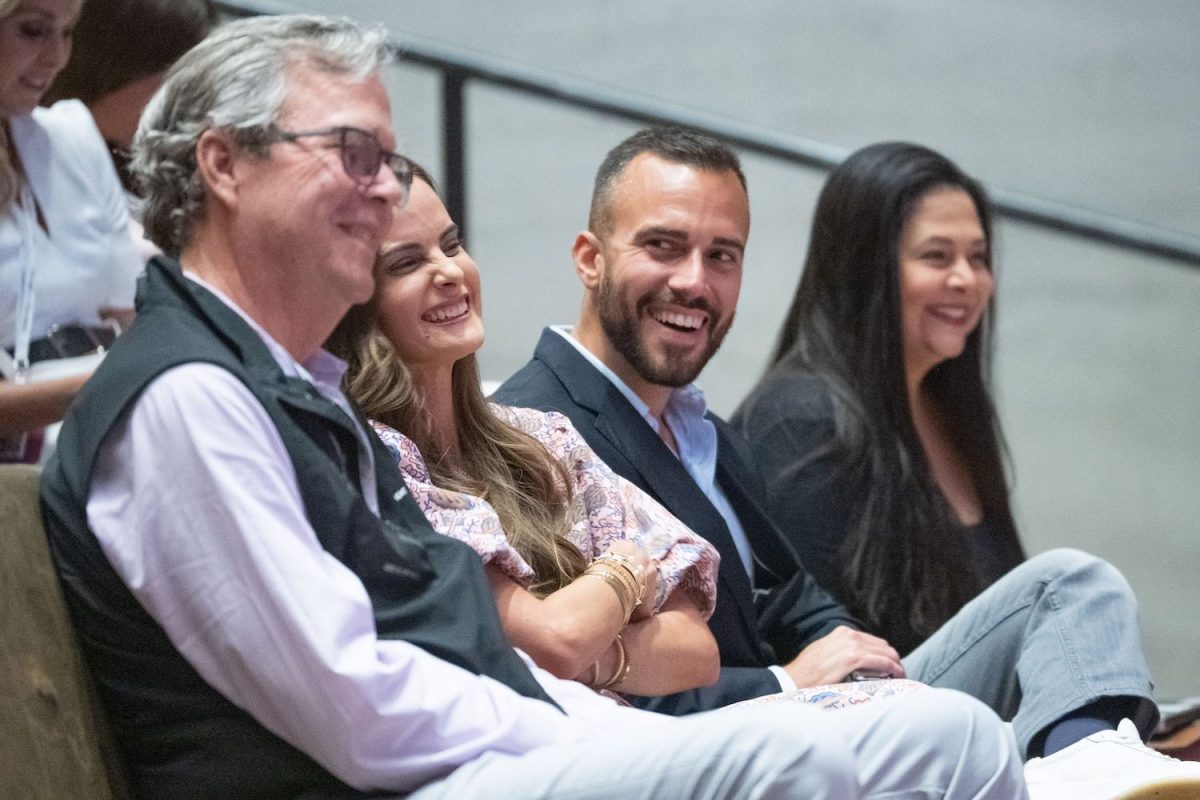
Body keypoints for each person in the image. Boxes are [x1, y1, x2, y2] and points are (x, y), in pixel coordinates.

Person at [39, 14, 1025, 800]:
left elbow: (516, 641)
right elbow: (355, 705)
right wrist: (593, 719)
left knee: (949, 731)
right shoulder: (188, 400)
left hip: (476, 748)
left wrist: (609, 706)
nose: (385, 192)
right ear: (224, 164)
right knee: (794, 763)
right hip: (380, 776)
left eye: (389, 158)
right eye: (352, 152)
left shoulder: (300, 393)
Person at [493, 125, 1200, 799]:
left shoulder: (701, 425)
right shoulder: (531, 429)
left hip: (834, 713)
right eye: (663, 246)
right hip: (741, 751)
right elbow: (585, 686)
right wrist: (787, 682)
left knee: (1075, 592)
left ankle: (1087, 761)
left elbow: (790, 592)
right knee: (1067, 585)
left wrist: (845, 649)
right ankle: (1079, 770)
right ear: (590, 257)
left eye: (722, 256)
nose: (694, 281)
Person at [331, 165, 723, 697]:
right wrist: (627, 568)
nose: (449, 272)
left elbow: (698, 651)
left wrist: (594, 652)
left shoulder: (542, 438)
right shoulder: (376, 459)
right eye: (406, 262)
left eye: (452, 244)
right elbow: (555, 640)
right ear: (357, 304)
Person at [732, 142, 1021, 655]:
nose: (966, 279)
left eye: (977, 258)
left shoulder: (951, 412)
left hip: (983, 720)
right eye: (937, 256)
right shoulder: (800, 422)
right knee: (1078, 582)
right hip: (885, 716)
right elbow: (826, 641)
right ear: (865, 268)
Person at [0, 0, 142, 461]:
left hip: (107, 430)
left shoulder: (71, 134)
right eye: (34, 30)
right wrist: (129, 379)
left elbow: (128, 315)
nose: (57, 56)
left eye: (68, 32)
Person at [41, 0, 216, 260]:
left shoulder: (152, 174)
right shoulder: (32, 161)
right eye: (174, 82)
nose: (187, 106)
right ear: (115, 69)